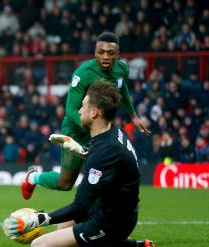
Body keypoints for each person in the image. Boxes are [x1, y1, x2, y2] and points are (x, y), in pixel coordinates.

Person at [5, 81, 167, 247]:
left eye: (83, 105)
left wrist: (39, 219)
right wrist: (81, 151)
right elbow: (109, 166)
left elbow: (80, 207)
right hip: (116, 207)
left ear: (94, 113)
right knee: (63, 228)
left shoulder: (104, 151)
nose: (79, 109)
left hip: (111, 221)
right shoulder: (113, 133)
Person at [21, 32, 151, 200]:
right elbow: (71, 110)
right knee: (65, 183)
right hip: (77, 130)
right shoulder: (83, 73)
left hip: (101, 130)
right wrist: (89, 128)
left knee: (106, 175)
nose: (105, 57)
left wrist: (133, 115)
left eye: (110, 53)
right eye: (100, 52)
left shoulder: (122, 70)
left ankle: (98, 217)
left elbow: (121, 87)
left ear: (117, 55)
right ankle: (32, 177)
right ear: (94, 52)